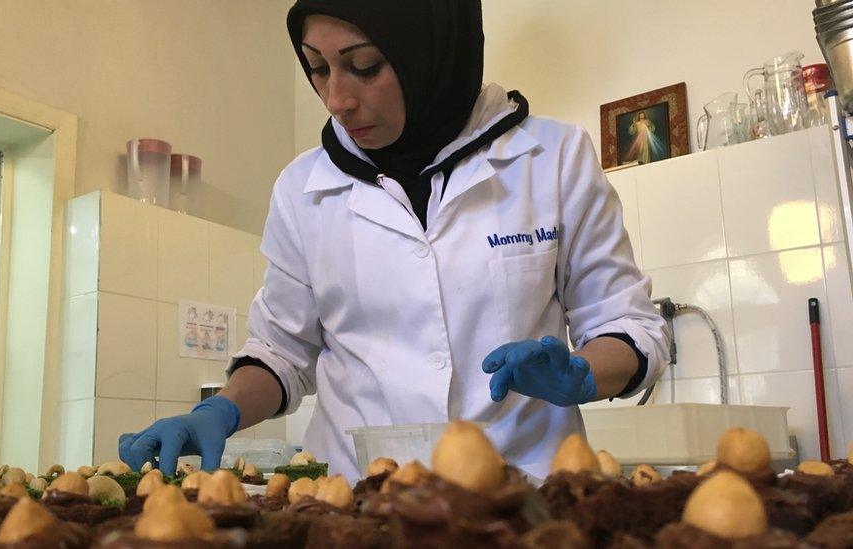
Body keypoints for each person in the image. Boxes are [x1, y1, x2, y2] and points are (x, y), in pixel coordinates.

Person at [119, 0, 670, 481]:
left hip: (520, 495)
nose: (337, 98)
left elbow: (628, 325)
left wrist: (583, 374)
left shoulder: (552, 159)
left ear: (431, 52)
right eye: (316, 68)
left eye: (364, 66)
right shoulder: (302, 188)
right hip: (354, 499)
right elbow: (282, 352)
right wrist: (224, 409)